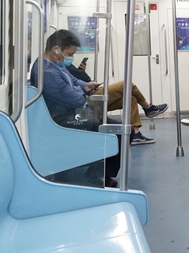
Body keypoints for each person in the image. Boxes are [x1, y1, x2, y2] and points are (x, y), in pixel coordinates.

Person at [29, 30, 123, 187]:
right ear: (56, 50)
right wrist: (80, 91)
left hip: (68, 112)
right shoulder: (47, 72)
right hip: (60, 118)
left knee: (114, 126)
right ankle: (97, 175)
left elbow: (72, 79)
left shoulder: (53, 64)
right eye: (70, 53)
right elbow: (78, 100)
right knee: (119, 131)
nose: (71, 58)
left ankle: (100, 170)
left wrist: (84, 85)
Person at [66, 61, 168, 145]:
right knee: (126, 84)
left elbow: (83, 79)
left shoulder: (65, 67)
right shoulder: (60, 67)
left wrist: (81, 71)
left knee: (130, 98)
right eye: (70, 52)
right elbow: (78, 80)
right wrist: (81, 74)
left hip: (90, 91)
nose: (71, 55)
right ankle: (148, 108)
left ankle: (136, 134)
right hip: (86, 97)